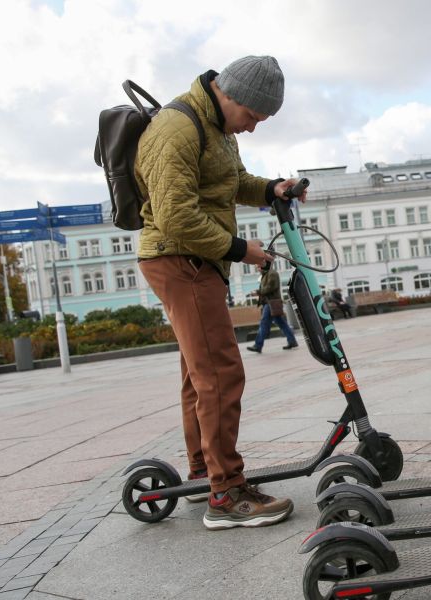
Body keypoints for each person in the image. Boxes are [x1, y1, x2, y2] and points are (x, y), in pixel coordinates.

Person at [136, 55, 307, 530]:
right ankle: (227, 494)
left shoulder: (216, 127)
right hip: (180, 258)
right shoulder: (178, 127)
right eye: (252, 116)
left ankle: (201, 471)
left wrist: (273, 189)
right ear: (228, 94)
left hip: (193, 258)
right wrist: (238, 249)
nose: (252, 128)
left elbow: (229, 184)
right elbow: (175, 217)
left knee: (200, 374)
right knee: (220, 372)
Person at [246, 261, 298, 353]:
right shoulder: (266, 274)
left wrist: (258, 292)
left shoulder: (272, 274)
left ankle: (258, 345)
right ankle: (292, 341)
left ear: (263, 266)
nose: (257, 269)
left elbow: (270, 288)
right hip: (270, 303)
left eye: (258, 267)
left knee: (264, 323)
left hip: (271, 303)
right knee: (281, 323)